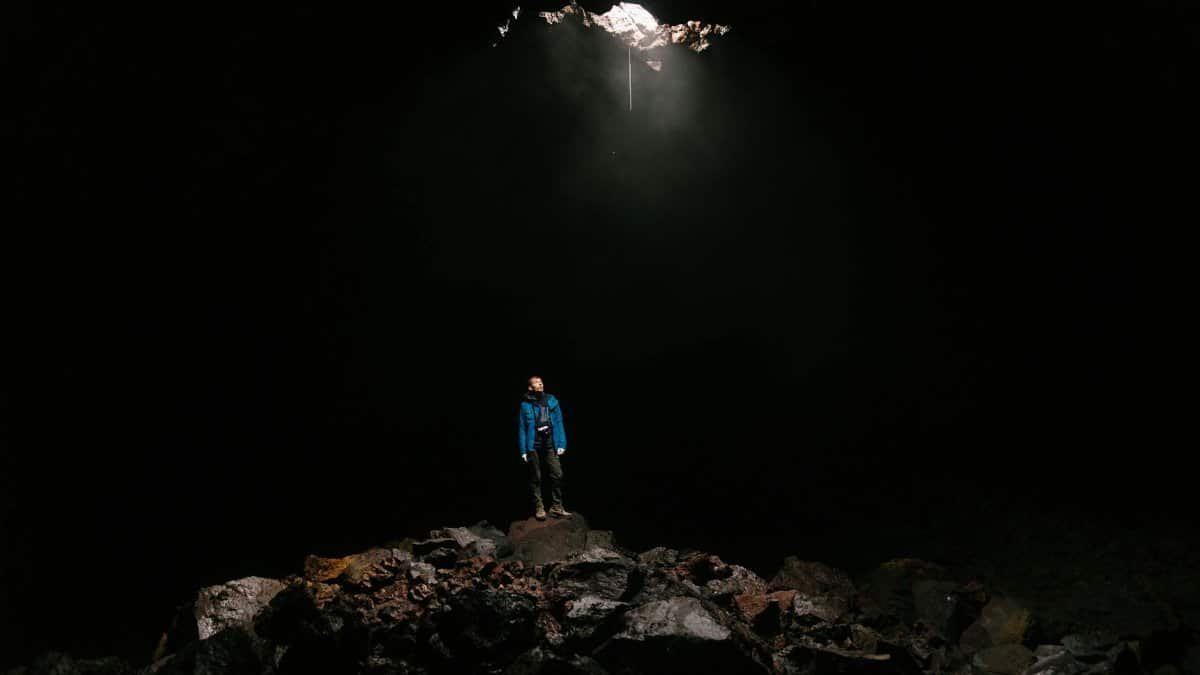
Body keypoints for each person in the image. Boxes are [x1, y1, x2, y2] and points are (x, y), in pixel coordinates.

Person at [517, 376, 570, 520]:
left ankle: (556, 506)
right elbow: (522, 428)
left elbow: (559, 422)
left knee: (557, 474)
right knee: (536, 477)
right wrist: (522, 450)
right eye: (536, 383)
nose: (540, 384)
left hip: (550, 442)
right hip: (533, 444)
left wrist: (561, 443)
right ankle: (539, 507)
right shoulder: (525, 405)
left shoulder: (552, 400)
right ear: (530, 387)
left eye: (541, 382)